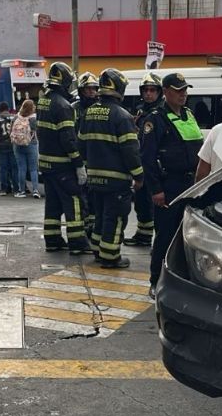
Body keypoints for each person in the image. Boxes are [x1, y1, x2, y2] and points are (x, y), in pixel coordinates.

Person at [140, 72, 204, 296]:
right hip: (169, 185)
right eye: (178, 90)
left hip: (191, 184)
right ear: (165, 92)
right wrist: (156, 189)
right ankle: (156, 281)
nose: (183, 94)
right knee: (165, 235)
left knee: (189, 235)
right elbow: (147, 158)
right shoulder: (155, 119)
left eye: (185, 89)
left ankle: (183, 280)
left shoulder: (188, 114)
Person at [78, 69, 144, 268]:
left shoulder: (89, 112)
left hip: (94, 178)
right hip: (116, 180)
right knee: (115, 218)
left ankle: (98, 250)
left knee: (100, 216)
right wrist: (139, 176)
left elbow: (81, 145)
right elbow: (131, 151)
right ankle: (110, 256)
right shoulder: (122, 116)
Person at [37, 62, 92, 255]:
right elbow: (68, 138)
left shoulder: (44, 100)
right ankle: (78, 242)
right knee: (74, 201)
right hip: (62, 165)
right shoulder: (63, 106)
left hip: (46, 163)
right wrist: (78, 164)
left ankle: (52, 240)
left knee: (52, 203)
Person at [123, 73, 163, 247]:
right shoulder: (141, 110)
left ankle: (151, 237)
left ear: (159, 92)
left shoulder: (161, 112)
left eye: (152, 90)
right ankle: (143, 234)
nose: (148, 93)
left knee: (150, 202)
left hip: (155, 165)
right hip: (141, 162)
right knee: (141, 202)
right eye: (145, 90)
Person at [73, 72, 100, 238]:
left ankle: (94, 225)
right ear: (81, 90)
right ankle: (84, 224)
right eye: (88, 89)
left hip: (96, 158)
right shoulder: (74, 108)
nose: (91, 92)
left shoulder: (100, 107)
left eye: (94, 89)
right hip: (78, 157)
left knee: (95, 194)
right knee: (81, 194)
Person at [11, 99, 41, 198]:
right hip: (31, 144)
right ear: (31, 108)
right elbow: (37, 130)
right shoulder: (33, 118)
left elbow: (11, 130)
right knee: (33, 169)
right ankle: (35, 190)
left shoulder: (16, 117)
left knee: (21, 168)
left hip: (18, 145)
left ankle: (22, 191)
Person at [0, 101, 19, 196]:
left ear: (0, 109)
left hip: (2, 145)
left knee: (3, 168)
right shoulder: (15, 118)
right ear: (8, 108)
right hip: (13, 144)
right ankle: (16, 189)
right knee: (14, 168)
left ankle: (4, 189)